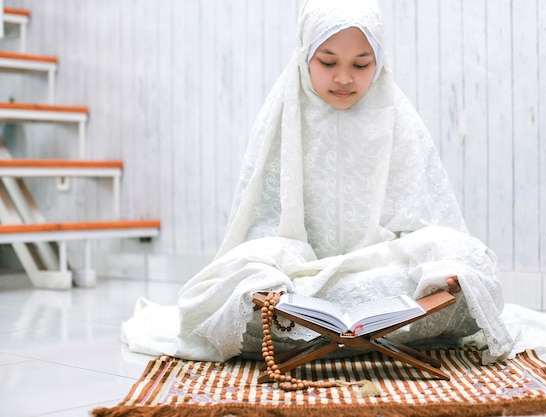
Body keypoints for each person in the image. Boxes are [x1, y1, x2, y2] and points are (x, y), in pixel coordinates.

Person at [122, 0, 513, 365]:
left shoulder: (398, 117)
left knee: (466, 262)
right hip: (300, 276)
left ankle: (335, 324)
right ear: (305, 55)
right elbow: (260, 223)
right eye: (328, 62)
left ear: (380, 62)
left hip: (378, 272)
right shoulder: (283, 115)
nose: (344, 78)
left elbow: (425, 223)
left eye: (361, 65)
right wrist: (274, 275)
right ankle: (324, 318)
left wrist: (436, 265)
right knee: (244, 282)